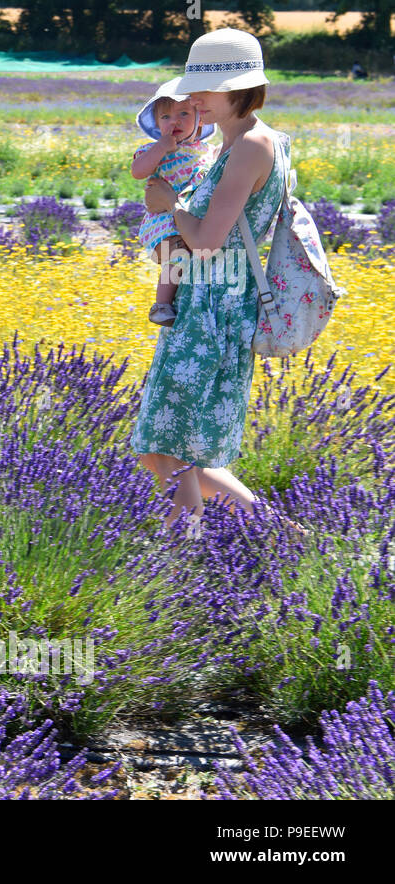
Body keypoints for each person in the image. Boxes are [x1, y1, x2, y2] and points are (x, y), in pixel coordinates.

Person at [131, 28, 307, 541]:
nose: (195, 100)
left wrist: (170, 206)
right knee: (168, 444)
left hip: (216, 308)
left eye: (207, 90)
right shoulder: (239, 142)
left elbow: (207, 241)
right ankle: (280, 534)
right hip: (205, 301)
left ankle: (184, 554)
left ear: (242, 89)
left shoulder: (251, 145)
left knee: (168, 444)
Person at [130, 78, 217, 328]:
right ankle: (161, 304)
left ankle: (182, 303)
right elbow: (138, 171)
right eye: (165, 117)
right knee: (176, 256)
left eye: (183, 113)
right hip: (163, 222)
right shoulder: (153, 149)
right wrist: (160, 148)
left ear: (200, 119)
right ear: (157, 123)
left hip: (188, 219)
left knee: (190, 259)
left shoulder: (206, 151)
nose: (174, 121)